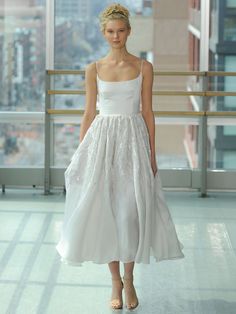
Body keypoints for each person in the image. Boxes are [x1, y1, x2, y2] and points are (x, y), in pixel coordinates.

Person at [56, 3, 184, 311]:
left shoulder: (143, 67)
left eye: (121, 31)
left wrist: (152, 154)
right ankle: (115, 281)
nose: (116, 36)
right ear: (103, 33)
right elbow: (88, 113)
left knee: (130, 213)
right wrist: (81, 153)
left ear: (129, 31)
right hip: (102, 143)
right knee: (106, 211)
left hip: (133, 141)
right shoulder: (94, 69)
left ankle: (130, 277)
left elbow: (148, 112)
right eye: (111, 32)